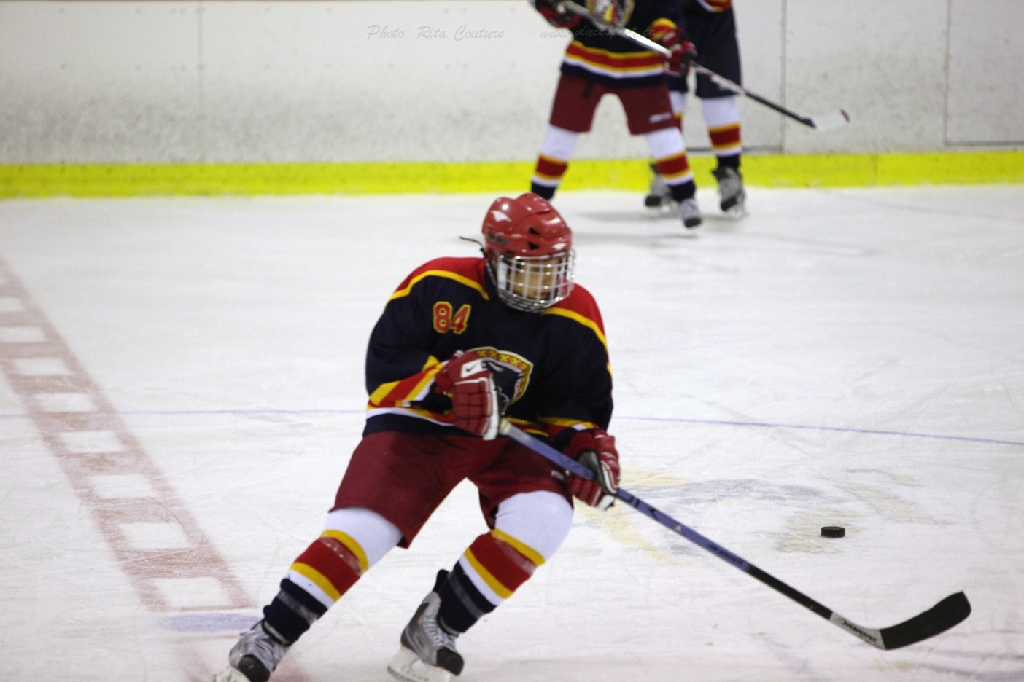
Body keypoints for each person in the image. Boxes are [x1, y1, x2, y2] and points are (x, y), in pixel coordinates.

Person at [214, 193, 621, 682]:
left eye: (554, 268)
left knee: (545, 517)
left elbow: (573, 402)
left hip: (512, 435)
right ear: (492, 258)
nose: (545, 283)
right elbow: (384, 369)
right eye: (530, 270)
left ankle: (438, 624)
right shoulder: (439, 284)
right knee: (366, 528)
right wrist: (443, 383)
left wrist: (584, 447)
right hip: (423, 423)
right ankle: (270, 634)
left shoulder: (577, 312)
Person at [530, 0, 704, 228]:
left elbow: (663, 15)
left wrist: (673, 40)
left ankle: (686, 197)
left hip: (640, 64)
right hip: (586, 59)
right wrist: (554, 8)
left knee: (663, 136)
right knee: (560, 135)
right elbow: (568, 12)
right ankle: (536, 203)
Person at [645, 0, 747, 216]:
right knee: (667, 91)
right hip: (667, 14)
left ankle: (729, 171)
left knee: (718, 94)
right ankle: (669, 170)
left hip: (713, 14)